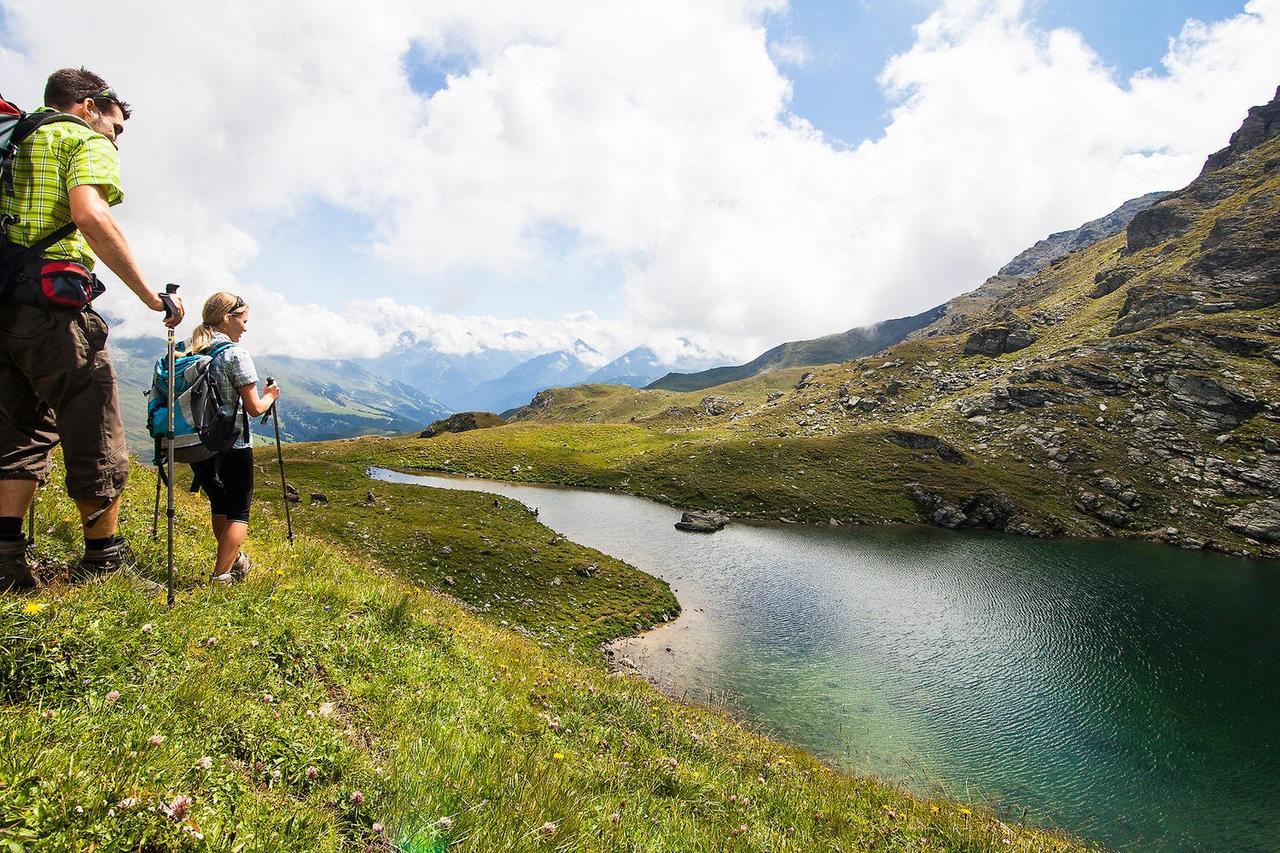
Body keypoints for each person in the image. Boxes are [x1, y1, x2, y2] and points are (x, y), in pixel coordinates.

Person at [0, 67, 184, 591]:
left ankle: (7, 556)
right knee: (95, 422)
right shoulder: (81, 138)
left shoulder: (14, 141)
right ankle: (104, 560)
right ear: (89, 106)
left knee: (19, 428)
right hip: (52, 307)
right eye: (116, 126)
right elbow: (90, 214)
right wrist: (152, 297)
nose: (116, 137)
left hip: (3, 306)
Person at [186, 292, 280, 584]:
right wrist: (270, 395)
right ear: (227, 319)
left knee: (219, 505)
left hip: (196, 443)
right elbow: (253, 409)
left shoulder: (187, 350)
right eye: (243, 320)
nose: (245, 327)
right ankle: (221, 576)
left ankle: (233, 559)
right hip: (232, 443)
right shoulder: (234, 354)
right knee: (239, 510)